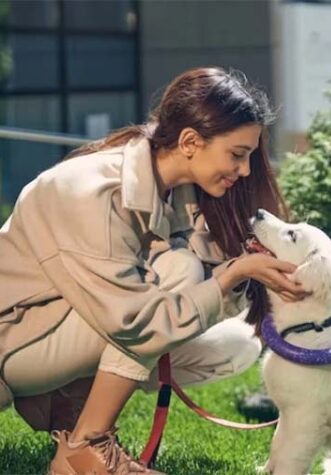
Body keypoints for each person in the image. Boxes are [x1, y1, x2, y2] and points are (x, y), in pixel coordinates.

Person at [0, 66, 310, 474]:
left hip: (66, 328)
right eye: (238, 155)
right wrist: (231, 274)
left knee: (237, 345)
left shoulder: (180, 191)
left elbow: (202, 297)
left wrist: (241, 269)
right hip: (13, 341)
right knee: (180, 271)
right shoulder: (91, 189)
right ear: (190, 142)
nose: (246, 170)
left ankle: (68, 407)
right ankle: (84, 448)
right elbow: (136, 321)